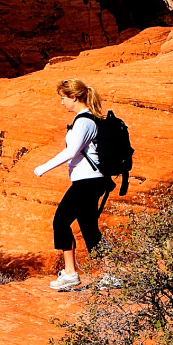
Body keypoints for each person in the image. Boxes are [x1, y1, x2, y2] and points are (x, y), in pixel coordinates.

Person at [33, 79, 117, 291]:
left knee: (60, 222)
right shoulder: (87, 120)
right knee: (89, 228)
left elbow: (71, 152)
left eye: (63, 98)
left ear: (74, 97)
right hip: (91, 180)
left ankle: (71, 274)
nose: (62, 103)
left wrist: (43, 168)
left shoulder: (84, 122)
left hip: (87, 182)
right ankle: (109, 274)